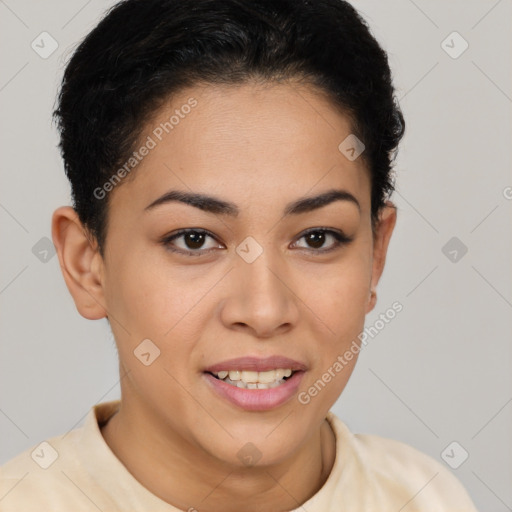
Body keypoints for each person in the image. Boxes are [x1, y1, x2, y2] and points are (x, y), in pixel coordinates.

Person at [0, 0, 479, 510]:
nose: (264, 310)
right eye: (194, 239)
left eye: (317, 238)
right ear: (86, 264)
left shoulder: (428, 496)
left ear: (375, 254)